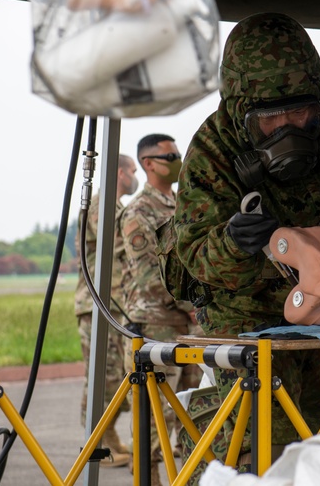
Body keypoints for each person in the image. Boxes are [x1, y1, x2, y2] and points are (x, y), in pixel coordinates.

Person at [172, 13, 320, 476]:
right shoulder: (213, 147)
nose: (290, 127)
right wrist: (233, 243)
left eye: (302, 112)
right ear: (240, 111)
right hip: (249, 322)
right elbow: (195, 259)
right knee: (265, 456)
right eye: (272, 118)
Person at [120, 134, 195, 486]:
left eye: (179, 154)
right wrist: (192, 305)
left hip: (185, 324)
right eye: (170, 155)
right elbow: (150, 276)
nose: (178, 160)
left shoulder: (181, 204)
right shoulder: (138, 211)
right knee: (153, 422)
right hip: (154, 325)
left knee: (191, 411)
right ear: (149, 163)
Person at [74, 152, 138, 468]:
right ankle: (97, 448)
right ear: (119, 173)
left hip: (112, 304)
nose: (134, 177)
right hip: (98, 303)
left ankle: (107, 438)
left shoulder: (115, 206)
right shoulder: (102, 205)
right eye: (132, 171)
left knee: (112, 377)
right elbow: (114, 244)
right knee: (102, 377)